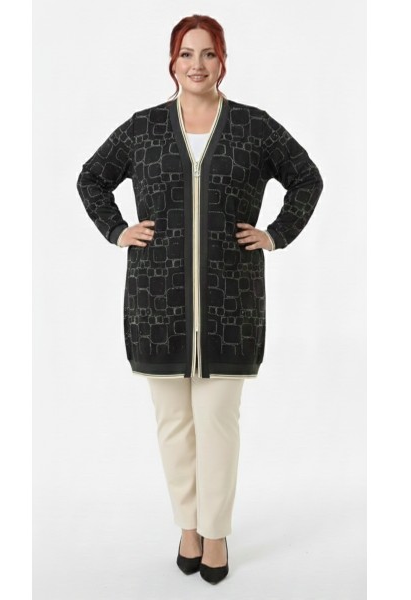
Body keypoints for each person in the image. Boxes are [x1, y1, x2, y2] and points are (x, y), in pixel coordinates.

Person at [76, 14, 323, 585]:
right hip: (156, 302)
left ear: (222, 61)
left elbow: (307, 178)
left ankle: (215, 532)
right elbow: (91, 178)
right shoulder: (143, 128)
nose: (197, 64)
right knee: (173, 425)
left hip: (230, 303)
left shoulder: (253, 127)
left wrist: (275, 235)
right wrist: (117, 230)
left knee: (217, 425)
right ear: (172, 62)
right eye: (186, 53)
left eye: (208, 53)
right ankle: (186, 527)